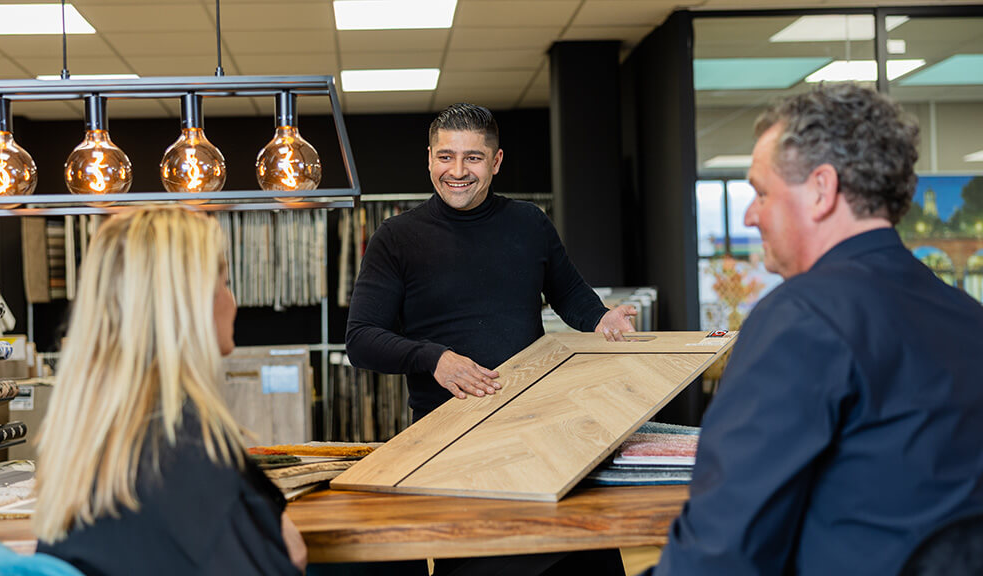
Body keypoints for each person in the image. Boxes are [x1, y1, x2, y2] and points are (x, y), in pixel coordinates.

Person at [646, 83, 983, 575]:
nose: (750, 215)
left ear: (822, 190)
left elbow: (719, 556)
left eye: (762, 192)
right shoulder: (966, 315)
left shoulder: (800, 319)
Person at [33, 207, 308, 575]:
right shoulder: (189, 453)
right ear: (191, 304)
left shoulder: (86, 445)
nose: (232, 302)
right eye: (224, 284)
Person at [346, 102, 636, 422]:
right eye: (445, 157)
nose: (458, 171)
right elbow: (361, 340)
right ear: (429, 158)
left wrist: (600, 317)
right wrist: (434, 358)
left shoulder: (530, 223)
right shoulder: (395, 237)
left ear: (495, 162)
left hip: (531, 416)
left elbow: (567, 292)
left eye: (473, 158)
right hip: (443, 425)